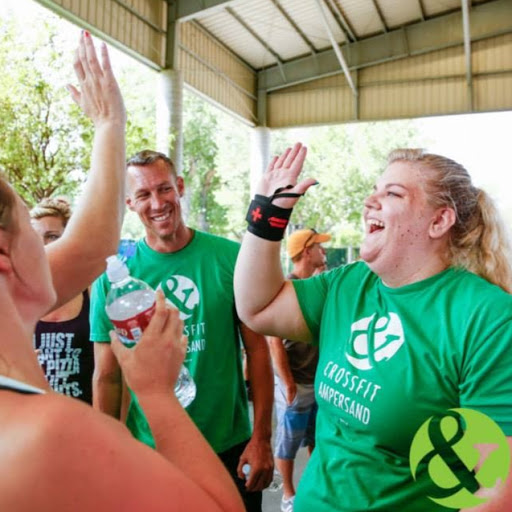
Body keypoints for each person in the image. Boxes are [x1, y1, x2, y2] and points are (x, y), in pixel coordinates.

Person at [0, 32, 243, 512]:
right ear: (6, 258)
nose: (51, 242)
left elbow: (92, 248)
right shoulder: (51, 433)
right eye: (32, 225)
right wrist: (157, 393)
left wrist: (110, 124)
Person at [234, 142, 512, 511]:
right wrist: (266, 214)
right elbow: (258, 308)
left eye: (393, 193)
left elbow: (495, 486)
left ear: (439, 221)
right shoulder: (349, 283)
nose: (370, 201)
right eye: (374, 190)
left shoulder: (485, 316)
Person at [90, 150, 274, 511]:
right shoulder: (114, 280)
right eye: (143, 195)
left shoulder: (230, 258)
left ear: (181, 187)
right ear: (130, 202)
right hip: (152, 450)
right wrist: (107, 453)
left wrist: (262, 438)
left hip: (229, 447)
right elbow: (107, 377)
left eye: (164, 189)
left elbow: (257, 351)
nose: (157, 203)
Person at [267, 228, 330, 512]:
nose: (324, 252)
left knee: (318, 439)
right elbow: (274, 341)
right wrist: (288, 383)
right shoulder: (287, 287)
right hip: (296, 383)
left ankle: (315, 486)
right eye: (319, 247)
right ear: (307, 251)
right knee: (288, 443)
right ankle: (289, 496)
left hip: (318, 383)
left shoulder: (318, 285)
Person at [31, 197, 94, 404]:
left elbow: (113, 373)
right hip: (33, 422)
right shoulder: (14, 296)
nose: (43, 246)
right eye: (35, 237)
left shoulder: (92, 290)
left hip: (86, 420)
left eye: (52, 237)